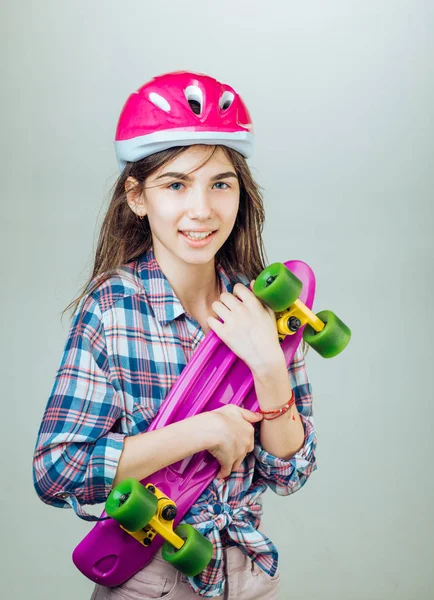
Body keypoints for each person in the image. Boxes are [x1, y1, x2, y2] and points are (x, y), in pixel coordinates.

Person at [33, 70, 317, 599]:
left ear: (241, 193)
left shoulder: (263, 306)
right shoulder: (115, 309)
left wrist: (269, 366)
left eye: (220, 184)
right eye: (176, 184)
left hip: (250, 573)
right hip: (153, 577)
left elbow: (290, 473)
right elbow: (59, 470)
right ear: (138, 196)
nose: (202, 209)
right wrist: (203, 431)